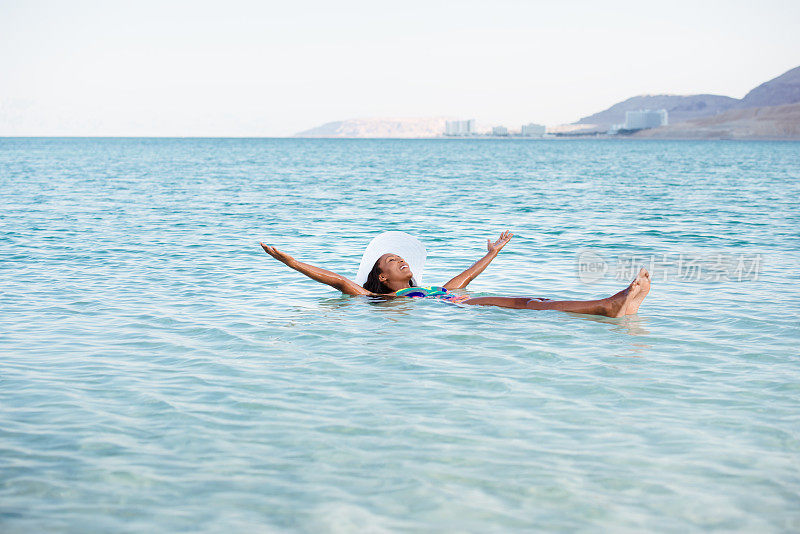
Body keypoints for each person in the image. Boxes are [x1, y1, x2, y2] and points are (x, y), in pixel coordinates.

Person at [259, 231, 650, 317]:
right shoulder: (378, 298)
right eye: (391, 261)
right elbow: (336, 280)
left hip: (461, 300)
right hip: (464, 309)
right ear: (380, 278)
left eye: (400, 257)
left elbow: (465, 278)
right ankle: (608, 305)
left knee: (535, 299)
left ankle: (614, 306)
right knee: (528, 302)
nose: (400, 261)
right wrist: (290, 262)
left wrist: (493, 252)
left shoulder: (430, 288)